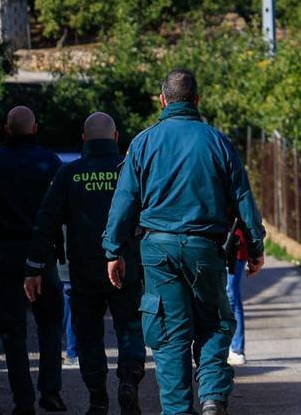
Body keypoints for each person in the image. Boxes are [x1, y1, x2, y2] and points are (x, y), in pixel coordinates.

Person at [103, 69, 266, 415]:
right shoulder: (218, 141)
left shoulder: (143, 143)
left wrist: (113, 250)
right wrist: (255, 248)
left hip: (157, 251)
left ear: (162, 100)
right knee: (214, 323)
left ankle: (178, 410)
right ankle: (210, 398)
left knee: (169, 333)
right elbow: (243, 199)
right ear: (197, 100)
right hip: (206, 249)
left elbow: (125, 201)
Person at [25, 112, 147, 415]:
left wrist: (35, 267)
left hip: (84, 272)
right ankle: (129, 381)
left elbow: (46, 221)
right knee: (130, 328)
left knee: (89, 336)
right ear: (117, 137)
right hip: (125, 267)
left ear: (83, 138)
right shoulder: (130, 172)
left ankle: (98, 398)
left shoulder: (69, 174)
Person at [0, 106, 66, 415]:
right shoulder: (51, 162)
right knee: (50, 323)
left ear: (7, 129)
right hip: (41, 253)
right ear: (35, 128)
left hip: (5, 251)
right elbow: (63, 208)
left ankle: (23, 401)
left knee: (12, 329)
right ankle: (51, 391)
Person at [225, 223, 250, 366]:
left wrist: (256, 251)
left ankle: (235, 349)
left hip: (233, 245)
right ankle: (235, 347)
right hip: (228, 244)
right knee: (233, 296)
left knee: (231, 297)